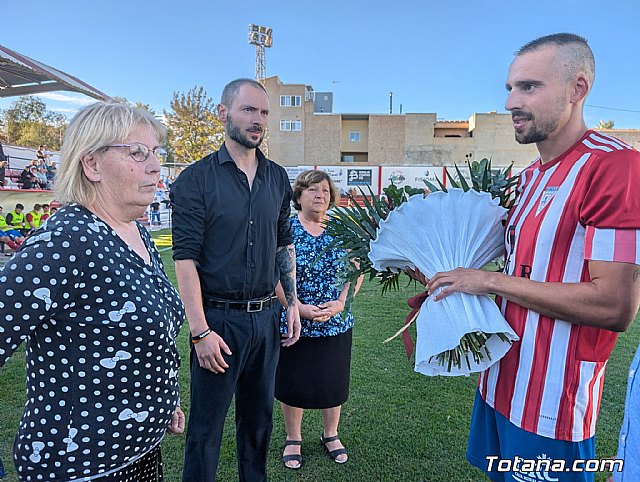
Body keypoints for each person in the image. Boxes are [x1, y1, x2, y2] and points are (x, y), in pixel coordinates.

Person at [408, 33, 640, 482]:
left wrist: (488, 282)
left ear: (578, 89)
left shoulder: (616, 167)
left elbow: (615, 307)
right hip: (500, 383)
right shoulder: (530, 177)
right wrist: (451, 295)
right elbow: (524, 274)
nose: (512, 101)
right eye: (510, 88)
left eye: (530, 87)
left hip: (553, 400)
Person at [0, 101, 186, 481]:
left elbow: (147, 334)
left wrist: (166, 399)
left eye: (156, 153)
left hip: (140, 451)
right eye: (137, 152)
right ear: (92, 165)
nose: (155, 166)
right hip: (79, 464)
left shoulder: (137, 232)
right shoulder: (64, 243)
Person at [171, 78, 301, 482]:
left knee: (258, 424)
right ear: (223, 114)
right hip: (217, 323)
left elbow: (283, 246)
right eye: (248, 110)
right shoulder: (195, 180)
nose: (258, 120)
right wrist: (199, 331)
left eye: (264, 112)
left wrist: (291, 303)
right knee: (205, 430)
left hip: (265, 321)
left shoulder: (278, 178)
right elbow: (185, 260)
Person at [276, 170, 363, 470]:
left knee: (332, 380)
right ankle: (293, 438)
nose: (320, 195)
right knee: (293, 381)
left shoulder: (341, 229)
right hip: (295, 320)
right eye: (312, 189)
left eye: (325, 190)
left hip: (335, 321)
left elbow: (357, 269)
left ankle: (331, 434)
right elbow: (273, 274)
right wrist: (296, 306)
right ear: (298, 195)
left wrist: (342, 302)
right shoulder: (286, 228)